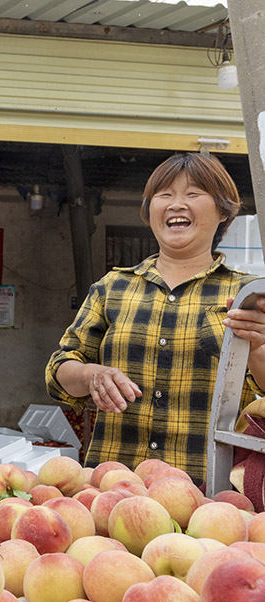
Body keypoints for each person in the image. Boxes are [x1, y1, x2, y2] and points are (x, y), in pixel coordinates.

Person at [45, 151, 265, 486]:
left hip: (209, 496)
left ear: (224, 211)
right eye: (164, 195)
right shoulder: (112, 287)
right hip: (111, 490)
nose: (177, 204)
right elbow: (59, 370)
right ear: (150, 212)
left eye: (193, 194)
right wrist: (92, 375)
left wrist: (259, 348)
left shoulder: (249, 296)